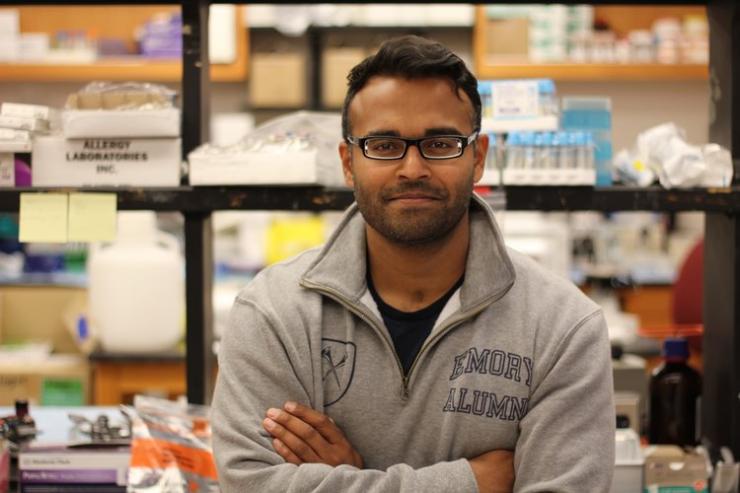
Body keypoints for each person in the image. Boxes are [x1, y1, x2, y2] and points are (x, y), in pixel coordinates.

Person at [212, 35, 615, 492]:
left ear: (478, 157)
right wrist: (468, 483)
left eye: (440, 143)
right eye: (383, 145)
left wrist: (345, 479)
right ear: (348, 162)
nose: (412, 168)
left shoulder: (562, 326)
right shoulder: (273, 314)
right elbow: (250, 484)